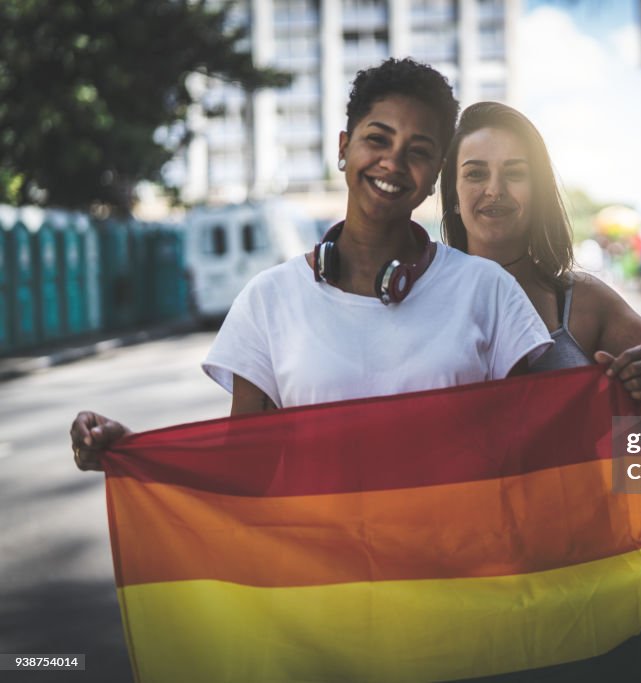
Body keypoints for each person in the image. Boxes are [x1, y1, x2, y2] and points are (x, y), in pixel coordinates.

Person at [71, 59, 556, 470]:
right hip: (323, 583)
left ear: (434, 178)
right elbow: (245, 471)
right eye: (377, 139)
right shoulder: (267, 301)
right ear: (344, 148)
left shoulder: (488, 290)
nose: (392, 162)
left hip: (458, 578)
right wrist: (130, 454)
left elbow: (545, 456)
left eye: (419, 152)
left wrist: (634, 411)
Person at [440, 102, 641, 399]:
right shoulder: (421, 295)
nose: (495, 190)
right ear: (453, 192)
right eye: (476, 174)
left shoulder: (584, 300)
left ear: (539, 192)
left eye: (516, 173)